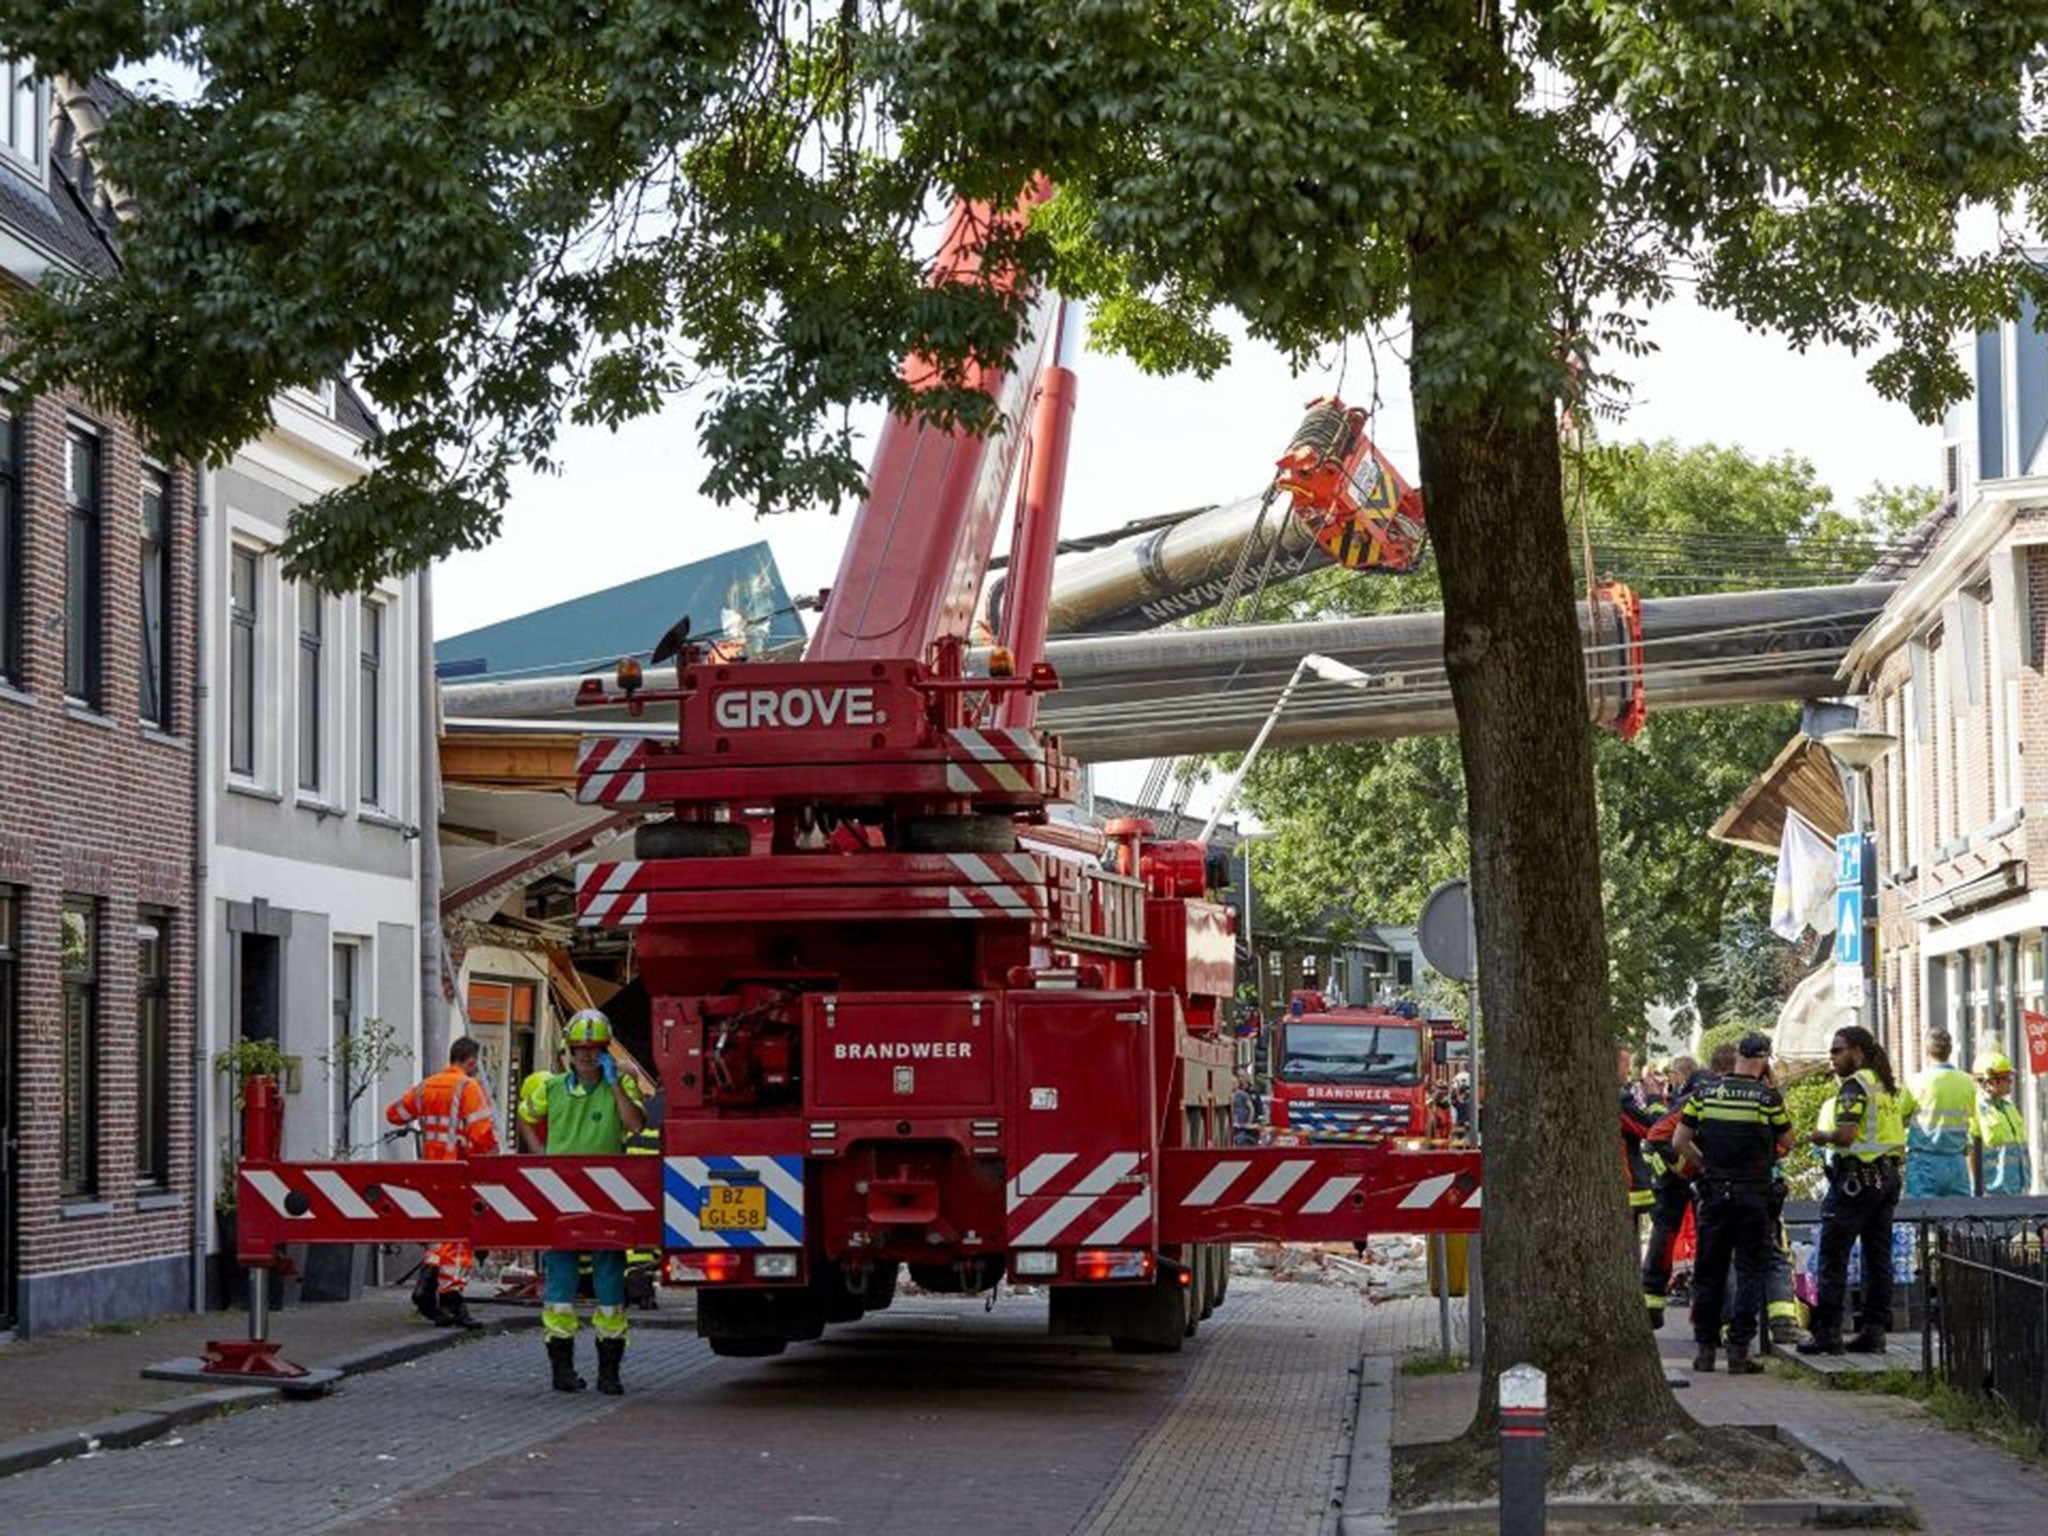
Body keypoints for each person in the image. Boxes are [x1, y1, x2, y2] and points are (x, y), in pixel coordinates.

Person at [519, 1008, 645, 1394]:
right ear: (568, 1051)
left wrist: (617, 1085)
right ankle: (562, 1371)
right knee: (560, 1282)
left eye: (594, 1049)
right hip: (562, 1194)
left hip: (608, 1195)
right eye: (580, 1049)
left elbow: (635, 1125)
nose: (587, 1056)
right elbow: (526, 1116)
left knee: (609, 1281)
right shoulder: (551, 1087)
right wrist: (540, 1153)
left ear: (605, 1051)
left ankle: (610, 1373)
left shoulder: (618, 1084)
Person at [1672, 1031, 1792, 1373]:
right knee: (1750, 1271)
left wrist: (1707, 1164)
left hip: (1714, 1193)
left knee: (1709, 1271)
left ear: (1738, 1054)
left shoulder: (1705, 1093)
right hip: (1752, 1194)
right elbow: (1789, 1140)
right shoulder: (1765, 1098)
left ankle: (1705, 1350)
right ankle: (1739, 1350)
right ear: (1764, 1060)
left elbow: (1681, 1141)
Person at [1799, 1024, 1907, 1356]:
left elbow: (1845, 1136)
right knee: (1878, 1258)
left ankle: (1828, 1332)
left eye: (1837, 1050)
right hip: (1886, 1178)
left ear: (1857, 1051)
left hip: (1856, 1181)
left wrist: (1821, 1136)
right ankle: (1874, 1332)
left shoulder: (1854, 1087)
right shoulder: (1884, 1085)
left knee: (1833, 1255)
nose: (1831, 1058)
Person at [385, 1034, 499, 1328]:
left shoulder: (427, 1086)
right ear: (470, 1059)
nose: (477, 1068)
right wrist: (491, 1162)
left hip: (431, 1173)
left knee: (442, 1234)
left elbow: (394, 1115)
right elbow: (482, 1134)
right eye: (477, 1062)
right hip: (459, 1171)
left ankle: (429, 1286)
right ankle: (451, 1299)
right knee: (460, 1239)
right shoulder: (467, 1086)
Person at [1639, 1054, 1703, 1325]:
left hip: (1676, 1177)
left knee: (1668, 1234)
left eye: (1672, 1073)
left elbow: (1655, 1129)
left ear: (1682, 1074)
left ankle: (1655, 1300)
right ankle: (1657, 1301)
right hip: (1683, 1177)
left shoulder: (1690, 1096)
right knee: (1684, 1236)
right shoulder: (1688, 1096)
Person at [1904, 1029, 1974, 1197]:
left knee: (1922, 1216)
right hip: (1956, 1161)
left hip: (1924, 1161)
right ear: (1950, 1051)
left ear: (1927, 1050)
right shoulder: (1967, 1082)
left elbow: (1899, 1115)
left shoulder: (1915, 1082)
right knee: (1958, 1218)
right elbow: (1971, 1114)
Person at [1973, 1054, 2030, 1196]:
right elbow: (1970, 1152)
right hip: (1992, 1194)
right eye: (2007, 1078)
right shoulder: (1975, 1110)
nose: (2011, 1082)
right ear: (1991, 1081)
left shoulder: (2009, 1108)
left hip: (2019, 1190)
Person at [1230, 1073, 1262, 1146]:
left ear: (1237, 1084)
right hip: (1233, 1125)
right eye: (1231, 1083)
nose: (1233, 1085)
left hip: (1242, 1126)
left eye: (1234, 1083)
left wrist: (1249, 1122)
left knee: (1241, 1140)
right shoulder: (1229, 1095)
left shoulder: (1243, 1094)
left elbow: (1251, 1108)